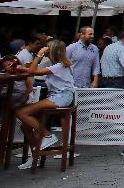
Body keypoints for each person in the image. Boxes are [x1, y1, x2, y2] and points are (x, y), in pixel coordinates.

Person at [15, 40, 77, 169]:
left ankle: (47, 135)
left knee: (21, 112)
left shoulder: (60, 66)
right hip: (56, 96)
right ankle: (35, 155)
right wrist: (22, 68)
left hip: (62, 96)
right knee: (25, 126)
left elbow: (32, 72)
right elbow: (32, 70)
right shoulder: (52, 64)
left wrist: (38, 55)